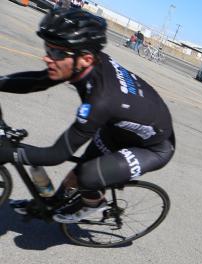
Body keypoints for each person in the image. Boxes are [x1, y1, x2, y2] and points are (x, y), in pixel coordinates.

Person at [0, 9, 175, 223]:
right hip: (121, 128)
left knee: (87, 175)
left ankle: (94, 203)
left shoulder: (101, 100)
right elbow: (39, 81)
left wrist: (9, 153)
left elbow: (56, 155)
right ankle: (51, 204)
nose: (46, 57)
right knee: (76, 173)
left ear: (86, 58)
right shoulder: (85, 62)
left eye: (57, 53)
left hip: (154, 147)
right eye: (48, 48)